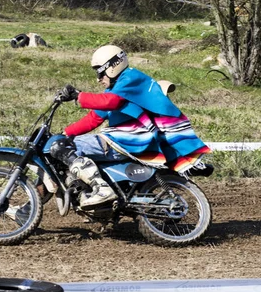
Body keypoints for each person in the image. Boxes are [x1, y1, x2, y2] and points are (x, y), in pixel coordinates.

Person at [51, 44, 211, 209]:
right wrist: (64, 133)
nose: (98, 79)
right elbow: (94, 118)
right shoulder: (115, 89)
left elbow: (111, 102)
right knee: (63, 144)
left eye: (99, 72)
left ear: (112, 66)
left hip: (132, 138)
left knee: (69, 147)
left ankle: (102, 190)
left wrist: (79, 96)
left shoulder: (131, 78)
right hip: (125, 139)